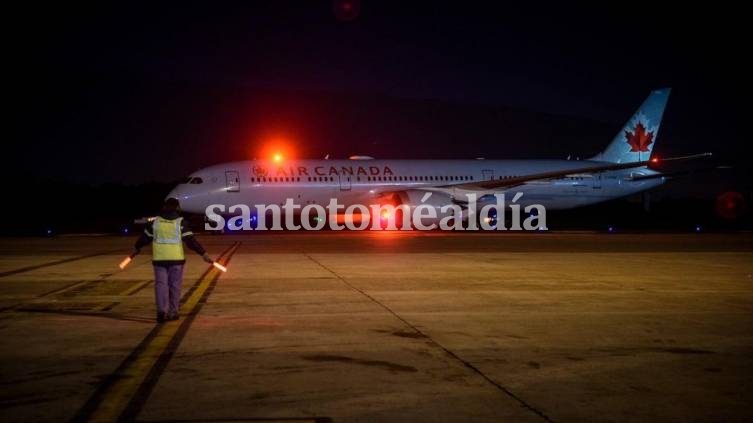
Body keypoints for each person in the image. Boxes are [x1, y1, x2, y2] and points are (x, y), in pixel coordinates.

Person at [131, 197, 213, 322]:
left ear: (164, 207)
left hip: (160, 259)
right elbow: (191, 242)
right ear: (178, 208)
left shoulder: (155, 222)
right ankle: (173, 312)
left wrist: (137, 247)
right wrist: (203, 254)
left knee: (160, 285)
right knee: (175, 286)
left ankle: (161, 311)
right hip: (176, 260)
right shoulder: (181, 223)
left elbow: (144, 238)